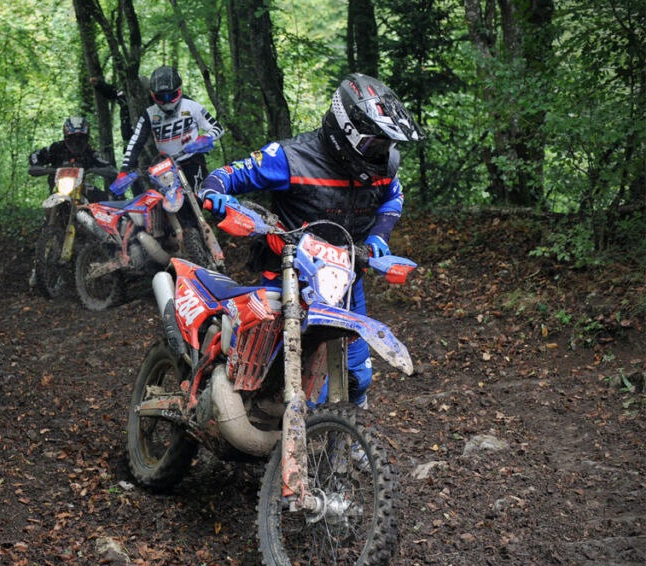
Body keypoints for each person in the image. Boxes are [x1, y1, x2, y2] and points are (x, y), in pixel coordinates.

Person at [198, 73, 424, 411]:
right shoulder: (289, 157)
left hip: (345, 278)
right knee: (266, 371)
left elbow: (394, 197)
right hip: (287, 276)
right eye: (375, 144)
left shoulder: (382, 167)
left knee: (357, 376)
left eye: (387, 145)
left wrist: (379, 235)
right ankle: (223, 401)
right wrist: (214, 192)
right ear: (346, 131)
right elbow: (229, 174)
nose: (382, 153)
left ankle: (347, 433)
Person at [116, 65, 224, 193]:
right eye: (161, 97)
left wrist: (206, 138)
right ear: (153, 96)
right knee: (169, 202)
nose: (167, 102)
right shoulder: (149, 114)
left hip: (193, 160)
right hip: (166, 166)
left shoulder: (191, 106)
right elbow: (136, 142)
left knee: (200, 196)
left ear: (179, 90)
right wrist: (124, 171)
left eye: (171, 95)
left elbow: (217, 127)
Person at [27, 115, 117, 202]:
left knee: (105, 199)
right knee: (49, 203)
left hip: (81, 188)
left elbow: (109, 168)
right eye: (72, 139)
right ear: (66, 137)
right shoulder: (56, 148)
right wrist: (45, 169)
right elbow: (35, 156)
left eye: (81, 138)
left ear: (86, 139)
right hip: (57, 189)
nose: (76, 143)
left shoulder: (89, 151)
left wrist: (92, 170)